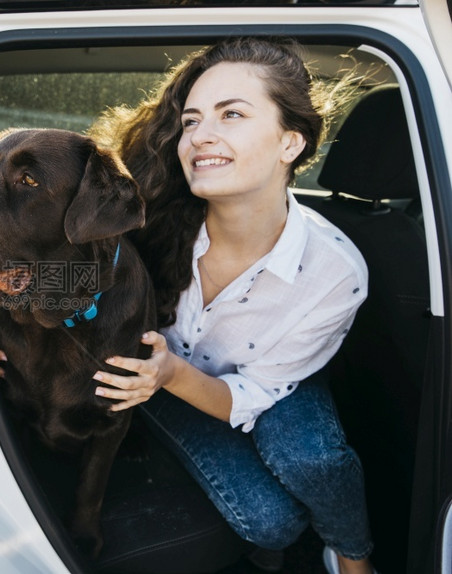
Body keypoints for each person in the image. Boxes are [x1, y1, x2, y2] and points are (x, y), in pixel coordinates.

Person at [83, 37, 376, 573]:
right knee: (272, 524)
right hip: (160, 379)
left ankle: (353, 555)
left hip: (270, 375)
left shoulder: (337, 272)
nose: (201, 137)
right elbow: (64, 272)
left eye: (231, 114)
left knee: (313, 460)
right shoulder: (142, 214)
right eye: (191, 121)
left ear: (290, 143)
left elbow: (259, 390)